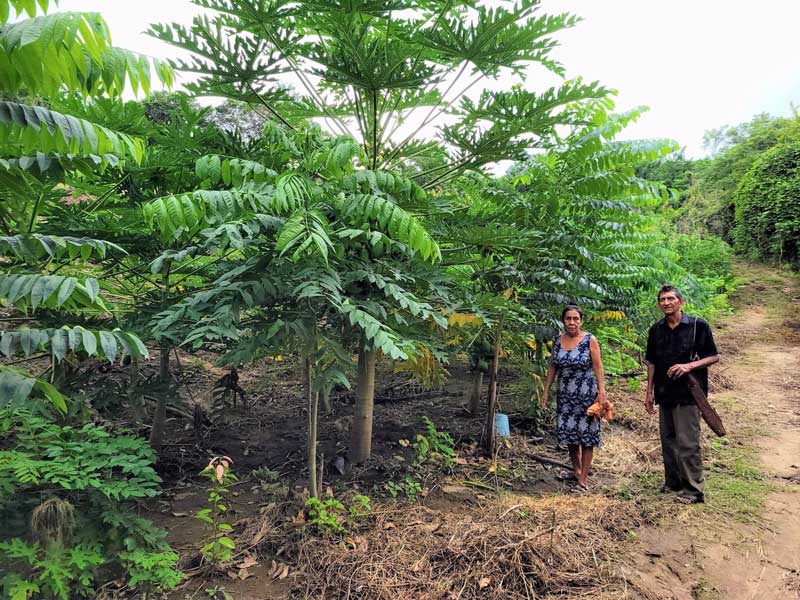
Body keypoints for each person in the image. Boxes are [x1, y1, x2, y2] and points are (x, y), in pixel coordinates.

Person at [645, 285, 720, 504]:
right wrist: (648, 391)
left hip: (689, 393)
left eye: (670, 299)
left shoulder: (698, 325)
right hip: (664, 392)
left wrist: (689, 366)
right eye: (662, 300)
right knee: (668, 440)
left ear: (681, 302)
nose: (666, 303)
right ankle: (673, 482)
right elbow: (651, 362)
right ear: (659, 304)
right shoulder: (656, 329)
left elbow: (714, 356)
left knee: (687, 442)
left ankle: (693, 490)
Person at [543, 304, 608, 490]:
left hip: (587, 393)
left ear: (581, 321)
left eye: (575, 319)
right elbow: (553, 366)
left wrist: (601, 391)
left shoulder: (589, 340)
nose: (572, 322)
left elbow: (598, 366)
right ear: (563, 321)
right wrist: (546, 391)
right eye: (568, 319)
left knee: (587, 435)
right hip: (565, 394)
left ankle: (583, 480)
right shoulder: (557, 341)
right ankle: (576, 470)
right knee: (570, 434)